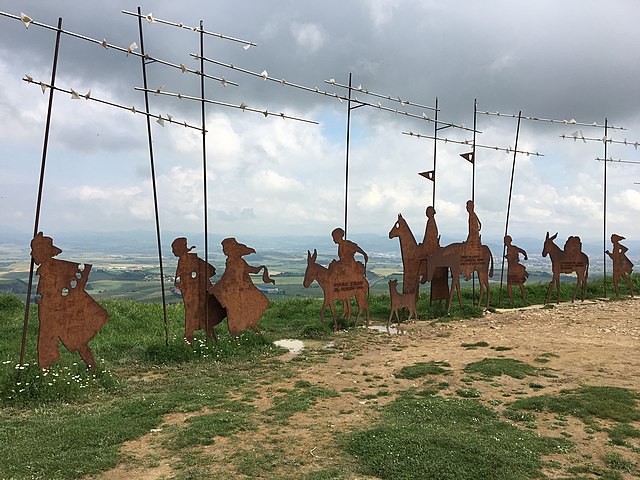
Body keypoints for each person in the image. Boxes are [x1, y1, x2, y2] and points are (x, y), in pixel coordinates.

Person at [31, 232, 108, 369]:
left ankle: (92, 367)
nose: (32, 254)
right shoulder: (48, 269)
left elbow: (59, 289)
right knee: (50, 343)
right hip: (49, 312)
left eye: (35, 251)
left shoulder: (55, 268)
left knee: (75, 340)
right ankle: (45, 371)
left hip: (57, 312)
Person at [212, 238, 274, 336]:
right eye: (223, 248)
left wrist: (215, 288)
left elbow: (227, 277)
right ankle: (240, 331)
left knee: (236, 313)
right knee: (235, 313)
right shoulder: (234, 261)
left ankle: (242, 329)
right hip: (236, 290)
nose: (224, 250)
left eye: (225, 248)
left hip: (236, 292)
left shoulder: (235, 261)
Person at [172, 237, 226, 343]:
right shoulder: (183, 260)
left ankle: (189, 341)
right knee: (199, 317)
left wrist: (195, 280)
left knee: (196, 317)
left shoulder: (191, 259)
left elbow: (210, 270)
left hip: (197, 294)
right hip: (190, 295)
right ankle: (209, 339)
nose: (173, 251)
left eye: (174, 248)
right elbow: (178, 279)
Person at [504, 235, 529, 303]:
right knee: (511, 284)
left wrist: (507, 257)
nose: (504, 242)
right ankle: (512, 300)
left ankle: (520, 299)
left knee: (516, 283)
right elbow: (522, 251)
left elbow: (521, 252)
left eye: (505, 241)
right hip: (511, 268)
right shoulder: (510, 248)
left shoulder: (512, 248)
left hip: (513, 268)